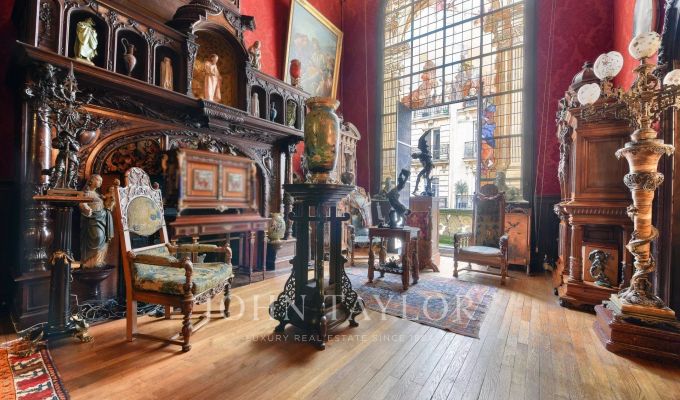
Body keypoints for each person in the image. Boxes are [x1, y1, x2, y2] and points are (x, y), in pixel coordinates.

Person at [79, 175, 115, 268]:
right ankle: (89, 262)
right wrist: (86, 208)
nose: (100, 182)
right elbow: (81, 202)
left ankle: (98, 261)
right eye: (98, 180)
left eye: (101, 181)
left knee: (103, 239)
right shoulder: (85, 193)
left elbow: (107, 205)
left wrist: (111, 201)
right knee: (97, 237)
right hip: (92, 219)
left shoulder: (98, 194)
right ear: (91, 180)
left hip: (102, 218)